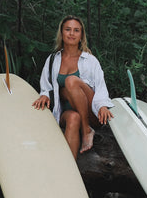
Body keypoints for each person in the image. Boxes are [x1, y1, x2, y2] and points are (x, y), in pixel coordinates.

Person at [32, 15, 114, 159]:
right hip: (65, 110)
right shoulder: (52, 60)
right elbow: (46, 86)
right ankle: (69, 172)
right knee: (73, 118)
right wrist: (44, 94)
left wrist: (102, 106)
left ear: (81, 35)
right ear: (61, 33)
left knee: (71, 81)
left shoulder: (90, 60)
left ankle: (87, 130)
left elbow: (101, 87)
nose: (71, 33)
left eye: (76, 30)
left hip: (91, 112)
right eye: (68, 29)